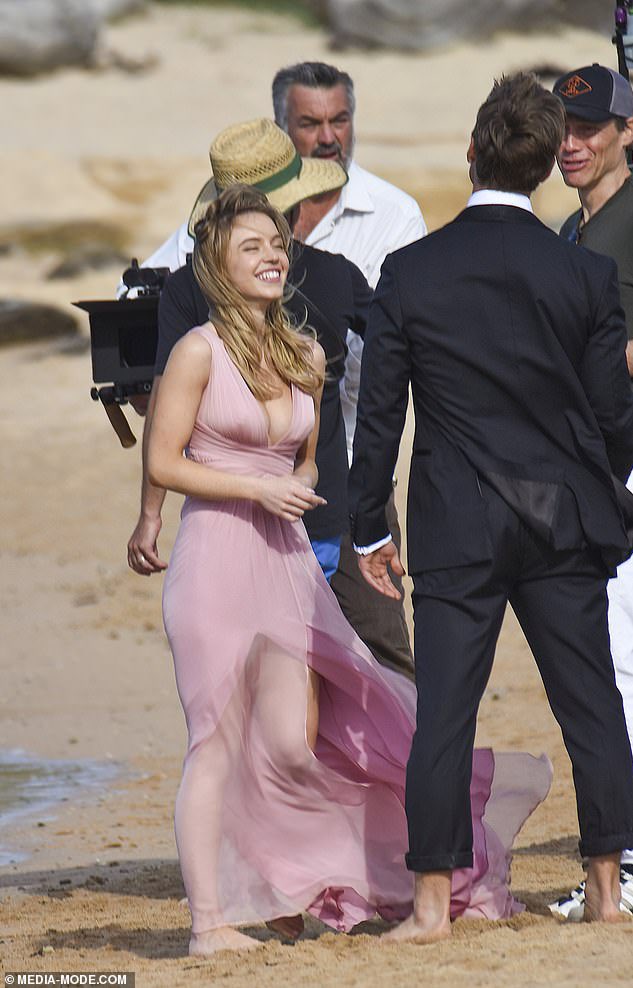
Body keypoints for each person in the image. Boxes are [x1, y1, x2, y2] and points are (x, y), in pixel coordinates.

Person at [147, 182, 552, 956]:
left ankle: (297, 879)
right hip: (215, 566)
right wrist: (255, 485)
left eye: (276, 244)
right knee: (215, 742)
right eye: (250, 248)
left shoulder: (303, 352)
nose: (270, 258)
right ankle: (207, 925)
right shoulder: (197, 349)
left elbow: (304, 462)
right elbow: (166, 462)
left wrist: (293, 492)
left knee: (293, 746)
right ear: (215, 266)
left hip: (287, 565)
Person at [349, 72, 633, 942]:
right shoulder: (583, 271)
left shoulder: (410, 269)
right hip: (561, 521)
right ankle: (609, 892)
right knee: (590, 704)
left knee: (444, 712)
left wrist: (370, 527)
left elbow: (380, 414)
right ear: (550, 165)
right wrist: (597, 490)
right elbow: (612, 418)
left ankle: (432, 907)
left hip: (455, 522)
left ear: (470, 154)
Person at [126, 119, 373, 590]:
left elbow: (159, 404)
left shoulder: (184, 286)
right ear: (297, 200)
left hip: (244, 525)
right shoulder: (340, 278)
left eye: (274, 246)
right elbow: (398, 350)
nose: (272, 259)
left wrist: (150, 513)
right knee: (365, 652)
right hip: (318, 519)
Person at [272, 61, 427, 677]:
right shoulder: (235, 219)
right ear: (282, 127)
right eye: (310, 123)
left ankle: (413, 774)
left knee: (381, 648)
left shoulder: (395, 215)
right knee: (272, 661)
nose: (328, 137)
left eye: (340, 120)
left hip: (358, 470)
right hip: (252, 483)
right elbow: (149, 294)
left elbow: (410, 342)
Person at [548, 62, 633, 919]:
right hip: (595, 472)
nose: (571, 145)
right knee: (612, 660)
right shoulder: (567, 239)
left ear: (626, 132)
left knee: (624, 661)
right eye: (562, 130)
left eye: (588, 130)